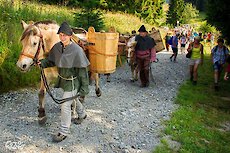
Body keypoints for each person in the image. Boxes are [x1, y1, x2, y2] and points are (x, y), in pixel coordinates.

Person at [39, 22, 90, 142]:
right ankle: (82, 114)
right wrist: (42, 63)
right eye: (60, 35)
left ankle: (63, 131)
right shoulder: (57, 47)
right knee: (73, 99)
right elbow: (51, 61)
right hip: (63, 80)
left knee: (65, 104)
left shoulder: (77, 50)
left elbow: (83, 72)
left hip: (73, 82)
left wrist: (84, 89)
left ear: (70, 35)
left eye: (65, 35)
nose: (62, 37)